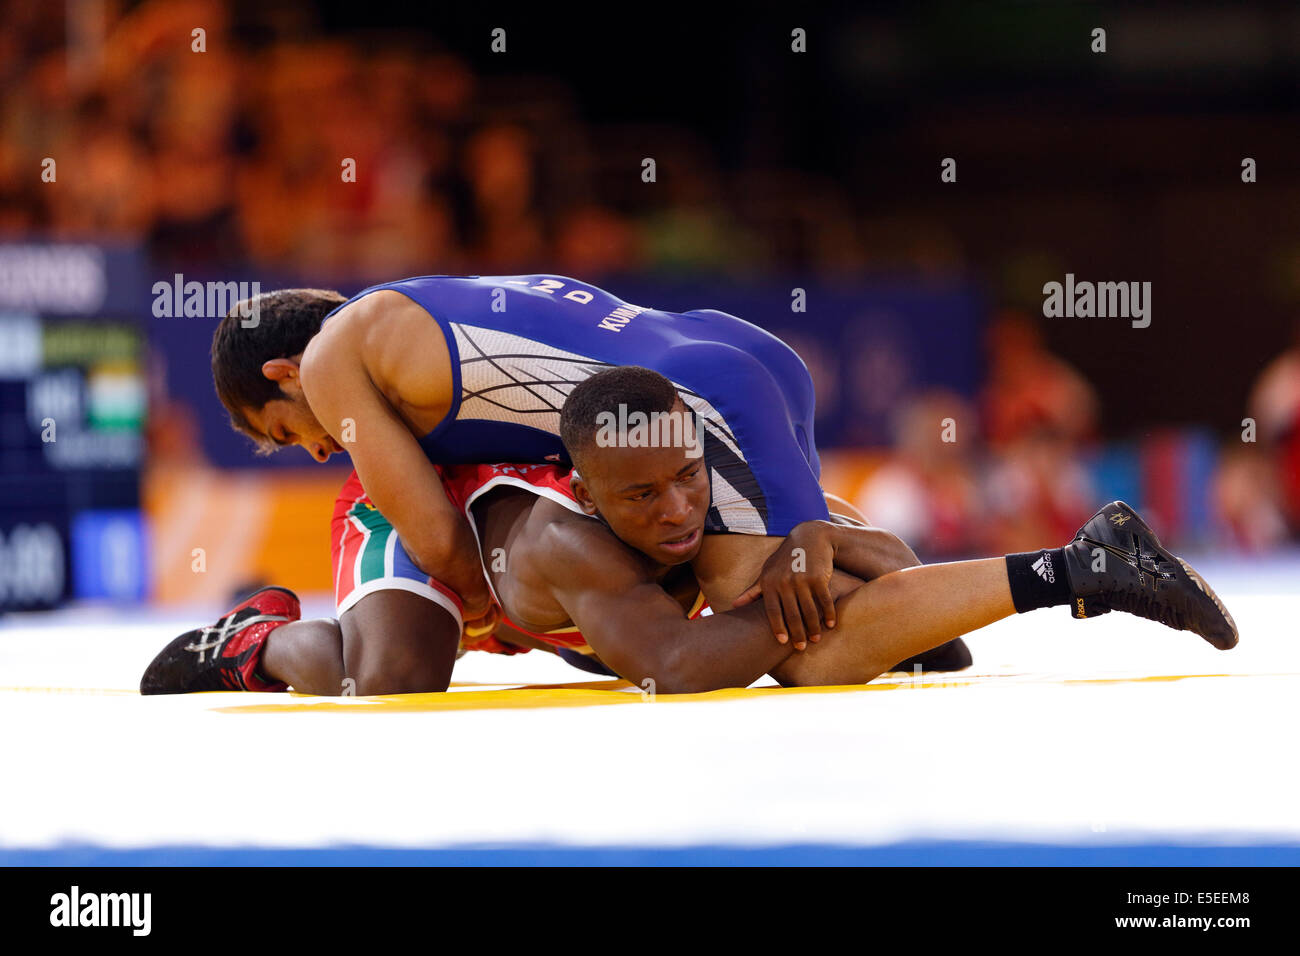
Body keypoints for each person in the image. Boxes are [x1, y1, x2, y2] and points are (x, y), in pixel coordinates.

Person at [142, 368, 1237, 697]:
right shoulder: (574, 537)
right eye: (644, 500)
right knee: (377, 682)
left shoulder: (702, 480)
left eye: (685, 484)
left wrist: (852, 586)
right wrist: (817, 606)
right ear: (592, 490)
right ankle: (250, 633)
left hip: (593, 582)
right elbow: (672, 666)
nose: (674, 514)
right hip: (442, 540)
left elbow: (891, 563)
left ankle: (1082, 566)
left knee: (812, 630)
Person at [178, 273, 961, 694]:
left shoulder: (331, 359)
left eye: (286, 432)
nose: (318, 453)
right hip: (734, 350)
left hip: (670, 405)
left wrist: (496, 614)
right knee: (777, 554)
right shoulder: (406, 309)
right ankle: (876, 574)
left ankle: (886, 586)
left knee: (782, 606)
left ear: (285, 372)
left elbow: (441, 538)